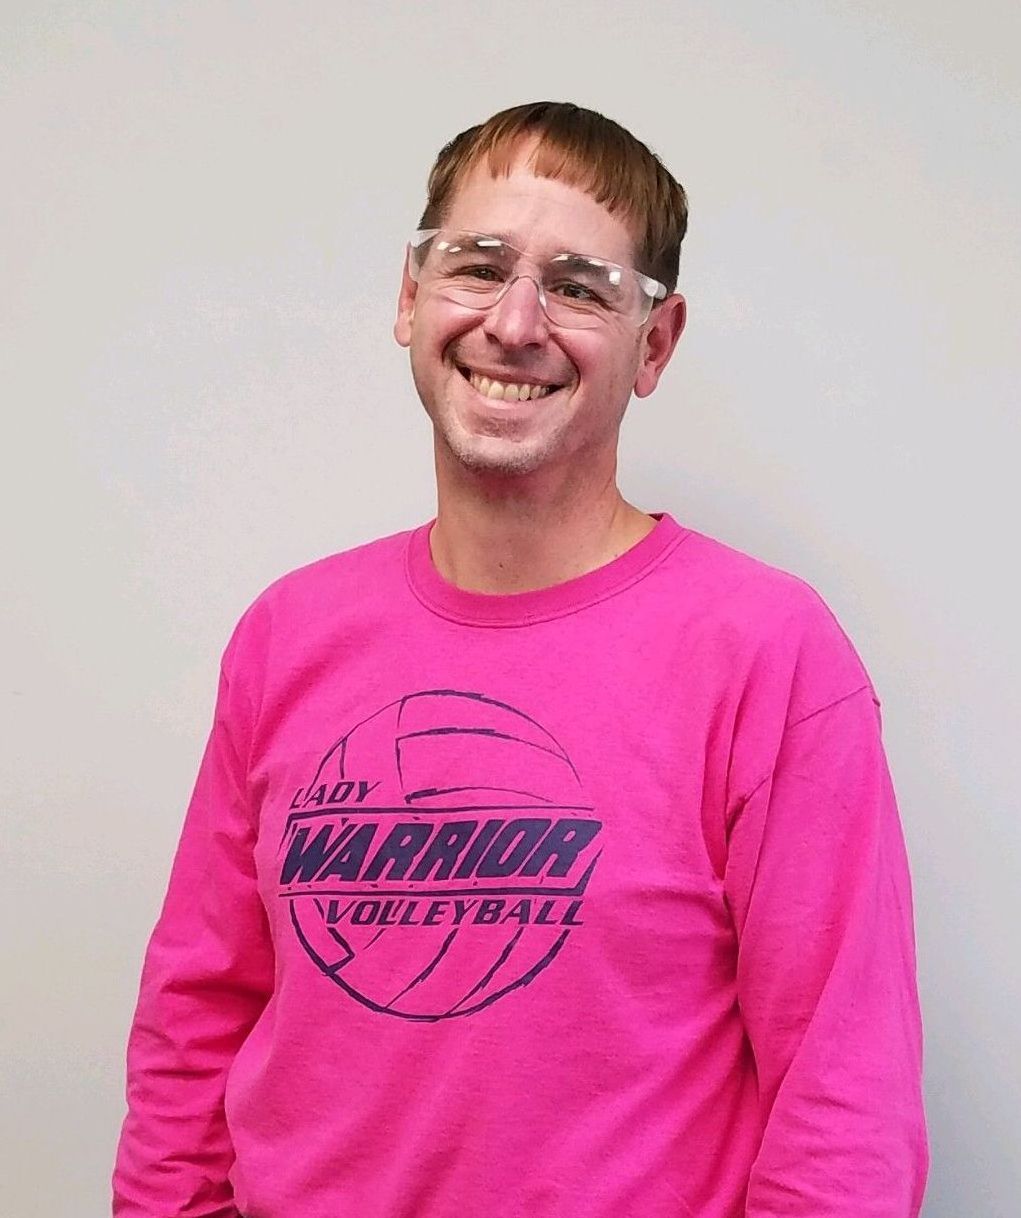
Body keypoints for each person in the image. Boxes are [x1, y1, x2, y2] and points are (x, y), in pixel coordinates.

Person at [113, 101, 928, 1217]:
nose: (514, 322)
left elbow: (845, 1097)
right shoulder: (287, 635)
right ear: (410, 297)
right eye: (479, 266)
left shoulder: (764, 652)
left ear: (655, 343)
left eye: (580, 286)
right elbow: (193, 1022)